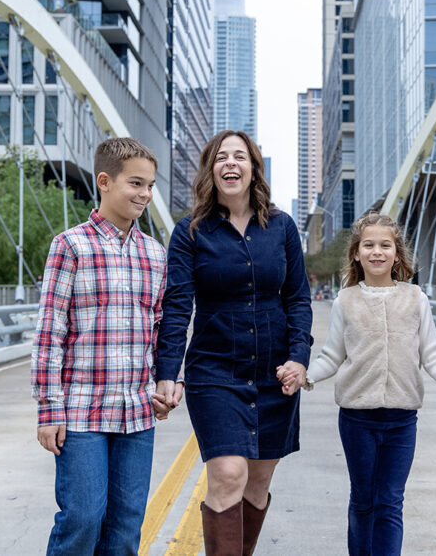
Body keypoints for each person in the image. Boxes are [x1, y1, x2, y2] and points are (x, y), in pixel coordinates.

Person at [156, 130, 313, 555]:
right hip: (215, 371)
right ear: (211, 170)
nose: (230, 163)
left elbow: (298, 298)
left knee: (258, 483)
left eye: (239, 157)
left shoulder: (281, 227)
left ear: (253, 169)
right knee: (227, 474)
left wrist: (299, 358)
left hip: (274, 373)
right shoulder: (190, 233)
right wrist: (167, 372)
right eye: (220, 157)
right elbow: (176, 306)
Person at [31, 137, 171, 555]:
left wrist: (167, 380)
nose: (145, 194)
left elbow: (161, 328)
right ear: (105, 182)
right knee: (82, 520)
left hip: (136, 412)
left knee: (127, 527)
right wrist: (48, 410)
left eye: (150, 185)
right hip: (80, 412)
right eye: (136, 184)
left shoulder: (155, 254)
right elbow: (49, 334)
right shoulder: (70, 246)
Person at [301, 212, 436, 556]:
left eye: (385, 245)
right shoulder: (345, 301)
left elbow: (432, 355)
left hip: (401, 421)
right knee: (364, 499)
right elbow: (331, 356)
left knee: (390, 502)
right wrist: (305, 376)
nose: (377, 252)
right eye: (368, 245)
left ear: (397, 254)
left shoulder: (416, 299)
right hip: (357, 420)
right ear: (356, 253)